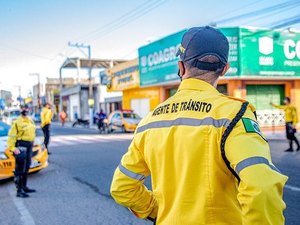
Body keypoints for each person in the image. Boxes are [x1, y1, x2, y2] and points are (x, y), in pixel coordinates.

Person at [110, 26, 288, 225]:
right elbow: (261, 185)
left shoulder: (149, 122)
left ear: (181, 67)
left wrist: (157, 211)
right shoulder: (233, 114)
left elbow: (122, 187)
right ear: (224, 69)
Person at [7, 105, 36, 198]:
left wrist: (33, 142)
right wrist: (13, 148)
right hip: (21, 145)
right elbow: (12, 136)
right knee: (20, 169)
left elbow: (32, 132)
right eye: (23, 108)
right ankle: (19, 191)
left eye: (27, 108)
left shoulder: (30, 120)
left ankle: (24, 187)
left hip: (29, 145)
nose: (25, 110)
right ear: (20, 110)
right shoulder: (17, 122)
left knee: (27, 167)